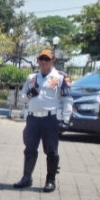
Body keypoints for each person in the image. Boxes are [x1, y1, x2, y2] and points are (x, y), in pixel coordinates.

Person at [13, 49, 73, 192]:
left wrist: (65, 118)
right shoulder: (32, 77)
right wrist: (29, 94)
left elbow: (67, 99)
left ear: (53, 61)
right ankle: (26, 178)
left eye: (47, 59)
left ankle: (50, 180)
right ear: (38, 61)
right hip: (33, 118)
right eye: (41, 59)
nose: (44, 62)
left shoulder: (61, 77)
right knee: (29, 149)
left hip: (50, 119)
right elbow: (22, 98)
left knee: (51, 150)